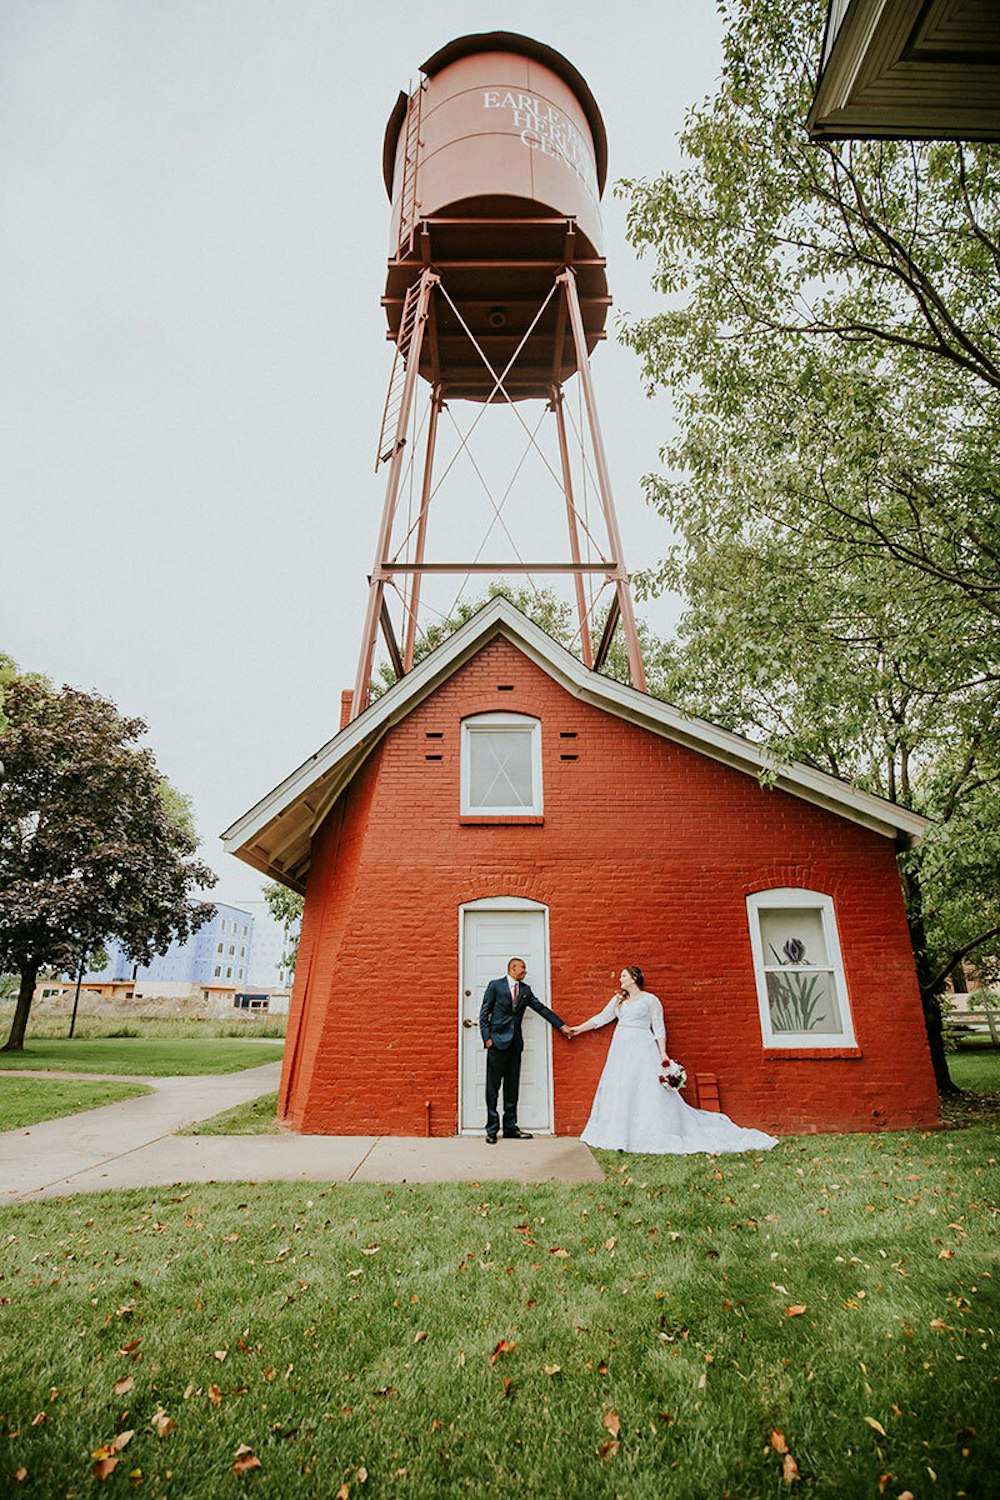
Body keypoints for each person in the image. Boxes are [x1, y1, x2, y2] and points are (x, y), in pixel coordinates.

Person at [564, 965, 778, 1155]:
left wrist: (663, 1054)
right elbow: (601, 1018)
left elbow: (658, 1027)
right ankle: (619, 1133)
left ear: (634, 978)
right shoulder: (618, 999)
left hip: (643, 1045)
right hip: (621, 1048)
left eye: (623, 976)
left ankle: (651, 1132)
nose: (620, 979)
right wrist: (577, 1029)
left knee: (646, 1088)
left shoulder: (650, 1000)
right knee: (622, 1085)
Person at [480, 957, 568, 1143]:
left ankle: (511, 1128)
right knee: (492, 1088)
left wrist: (561, 1026)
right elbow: (484, 1014)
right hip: (496, 1044)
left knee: (512, 1087)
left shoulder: (525, 990)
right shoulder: (495, 986)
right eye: (523, 968)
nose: (525, 971)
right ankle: (492, 1129)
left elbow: (541, 1009)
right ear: (513, 968)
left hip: (515, 1045)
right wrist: (487, 1039)